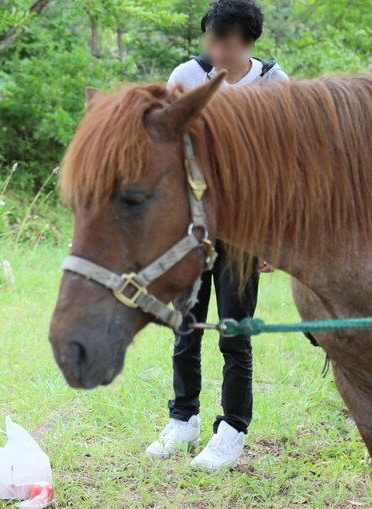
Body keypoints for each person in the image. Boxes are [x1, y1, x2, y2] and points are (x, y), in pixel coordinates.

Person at [145, 0, 288, 471]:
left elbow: (286, 167)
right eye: (210, 38)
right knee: (185, 327)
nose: (214, 49)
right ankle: (182, 418)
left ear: (247, 42)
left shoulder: (273, 83)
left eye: (224, 41)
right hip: (192, 226)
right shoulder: (186, 75)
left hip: (245, 229)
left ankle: (232, 431)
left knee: (234, 333)